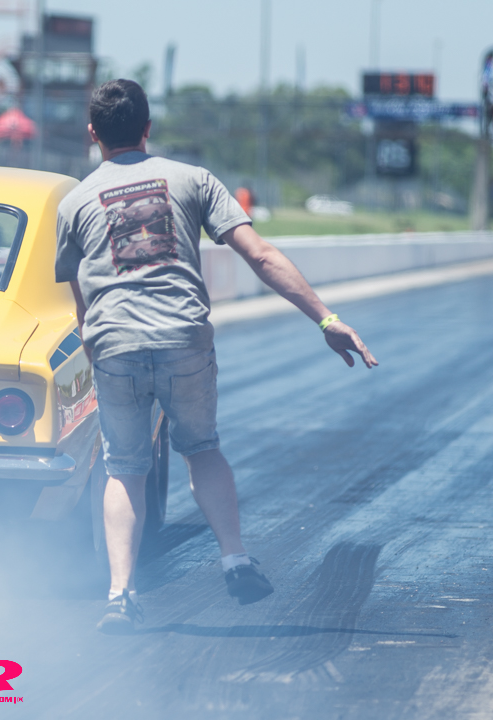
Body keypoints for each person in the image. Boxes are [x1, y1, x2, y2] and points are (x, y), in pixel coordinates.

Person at [54, 80, 379, 635]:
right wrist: (326, 320)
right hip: (183, 337)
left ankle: (120, 595)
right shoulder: (193, 179)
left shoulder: (74, 202)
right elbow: (261, 255)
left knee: (124, 468)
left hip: (114, 344)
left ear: (92, 134)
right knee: (202, 448)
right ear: (148, 127)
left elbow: (79, 295)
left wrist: (97, 349)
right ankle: (234, 558)